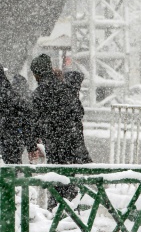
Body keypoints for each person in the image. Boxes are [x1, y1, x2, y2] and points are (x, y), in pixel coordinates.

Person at [30, 54, 91, 208]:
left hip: (55, 146)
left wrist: (33, 142)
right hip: (73, 144)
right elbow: (79, 112)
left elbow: (34, 123)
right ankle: (69, 216)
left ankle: (57, 215)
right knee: (69, 183)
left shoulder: (38, 94)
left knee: (57, 183)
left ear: (37, 73)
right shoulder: (65, 87)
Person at [0, 67, 38, 164]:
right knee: (11, 173)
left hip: (8, 143)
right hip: (11, 144)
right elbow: (27, 120)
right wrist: (31, 146)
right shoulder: (12, 96)